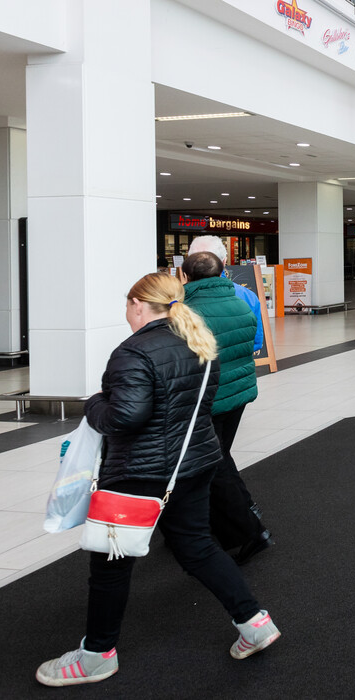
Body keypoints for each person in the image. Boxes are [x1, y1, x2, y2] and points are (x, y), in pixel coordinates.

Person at [35, 273, 280, 687]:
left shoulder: (133, 351)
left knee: (111, 563)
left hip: (140, 473)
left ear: (137, 304)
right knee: (198, 546)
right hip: (195, 462)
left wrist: (94, 404)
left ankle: (97, 654)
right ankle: (255, 622)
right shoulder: (200, 341)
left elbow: (123, 417)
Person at [180, 252, 272, 565]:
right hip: (239, 392)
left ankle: (247, 525)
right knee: (219, 455)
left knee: (213, 461)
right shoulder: (242, 301)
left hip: (208, 398)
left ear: (185, 275)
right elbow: (253, 341)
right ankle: (229, 519)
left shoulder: (187, 312)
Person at [188, 236, 264, 353]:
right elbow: (256, 341)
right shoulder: (247, 295)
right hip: (241, 368)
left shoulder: (178, 299)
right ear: (224, 262)